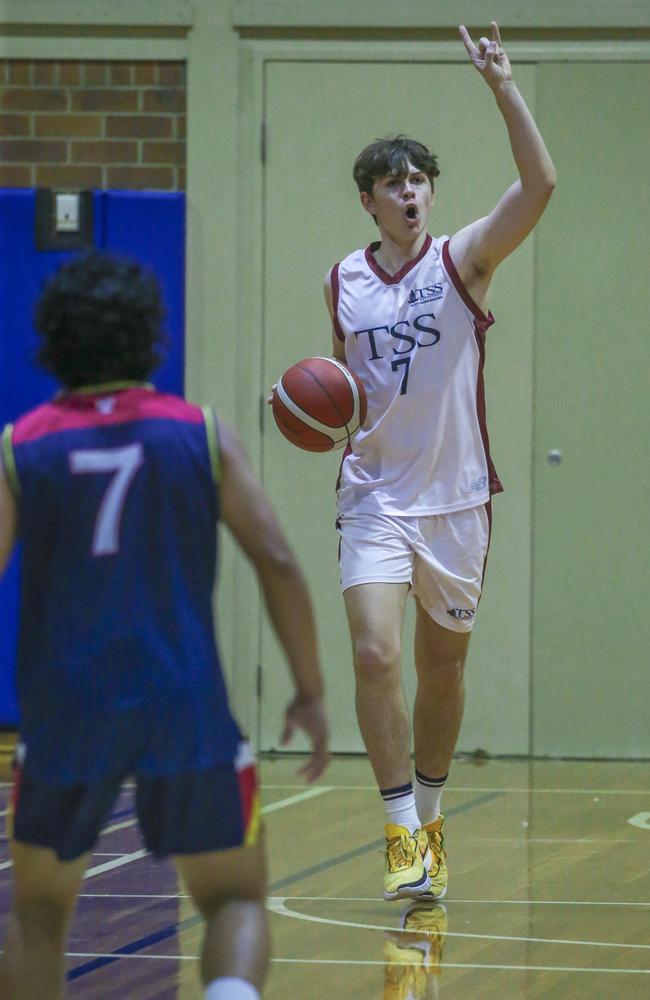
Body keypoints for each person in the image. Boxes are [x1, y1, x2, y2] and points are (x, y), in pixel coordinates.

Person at [0, 252, 329, 1000]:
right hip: (183, 704)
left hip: (64, 711)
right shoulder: (200, 434)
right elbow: (277, 558)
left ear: (53, 340)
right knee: (234, 899)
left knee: (40, 913)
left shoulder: (21, 446)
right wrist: (308, 689)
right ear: (153, 335)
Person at [323, 22, 555, 901]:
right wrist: (299, 405)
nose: (410, 192)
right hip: (375, 494)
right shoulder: (344, 279)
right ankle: (397, 835)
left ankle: (430, 809)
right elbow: (342, 388)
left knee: (441, 668)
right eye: (394, 182)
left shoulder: (462, 261)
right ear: (370, 201)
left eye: (419, 179)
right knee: (376, 656)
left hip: (455, 500)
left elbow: (541, 185)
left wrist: (503, 86)